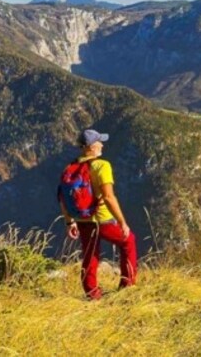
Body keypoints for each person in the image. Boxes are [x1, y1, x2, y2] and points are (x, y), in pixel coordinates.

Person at [59, 129, 137, 300]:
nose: (102, 145)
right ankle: (127, 286)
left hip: (82, 219)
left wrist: (69, 222)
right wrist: (122, 222)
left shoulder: (70, 167)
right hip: (101, 219)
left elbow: (63, 197)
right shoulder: (102, 165)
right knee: (128, 241)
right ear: (91, 147)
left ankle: (92, 294)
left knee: (90, 254)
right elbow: (109, 197)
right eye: (99, 142)